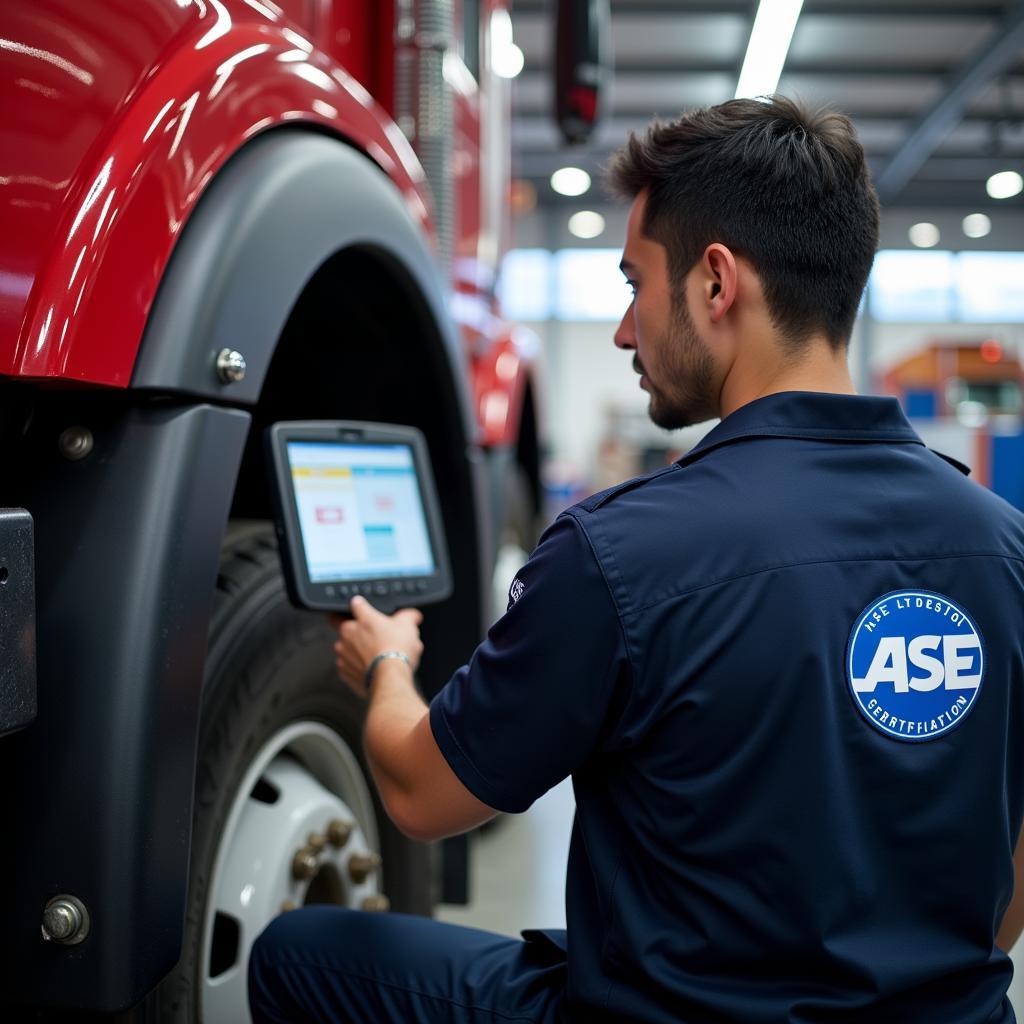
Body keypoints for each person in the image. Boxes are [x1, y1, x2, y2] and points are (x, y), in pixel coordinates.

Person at [248, 97, 1024, 1023]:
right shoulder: (1005, 545)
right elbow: (1005, 899)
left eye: (632, 283)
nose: (623, 330)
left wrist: (386, 665)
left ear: (715, 284)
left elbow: (419, 793)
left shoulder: (619, 553)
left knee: (301, 954)